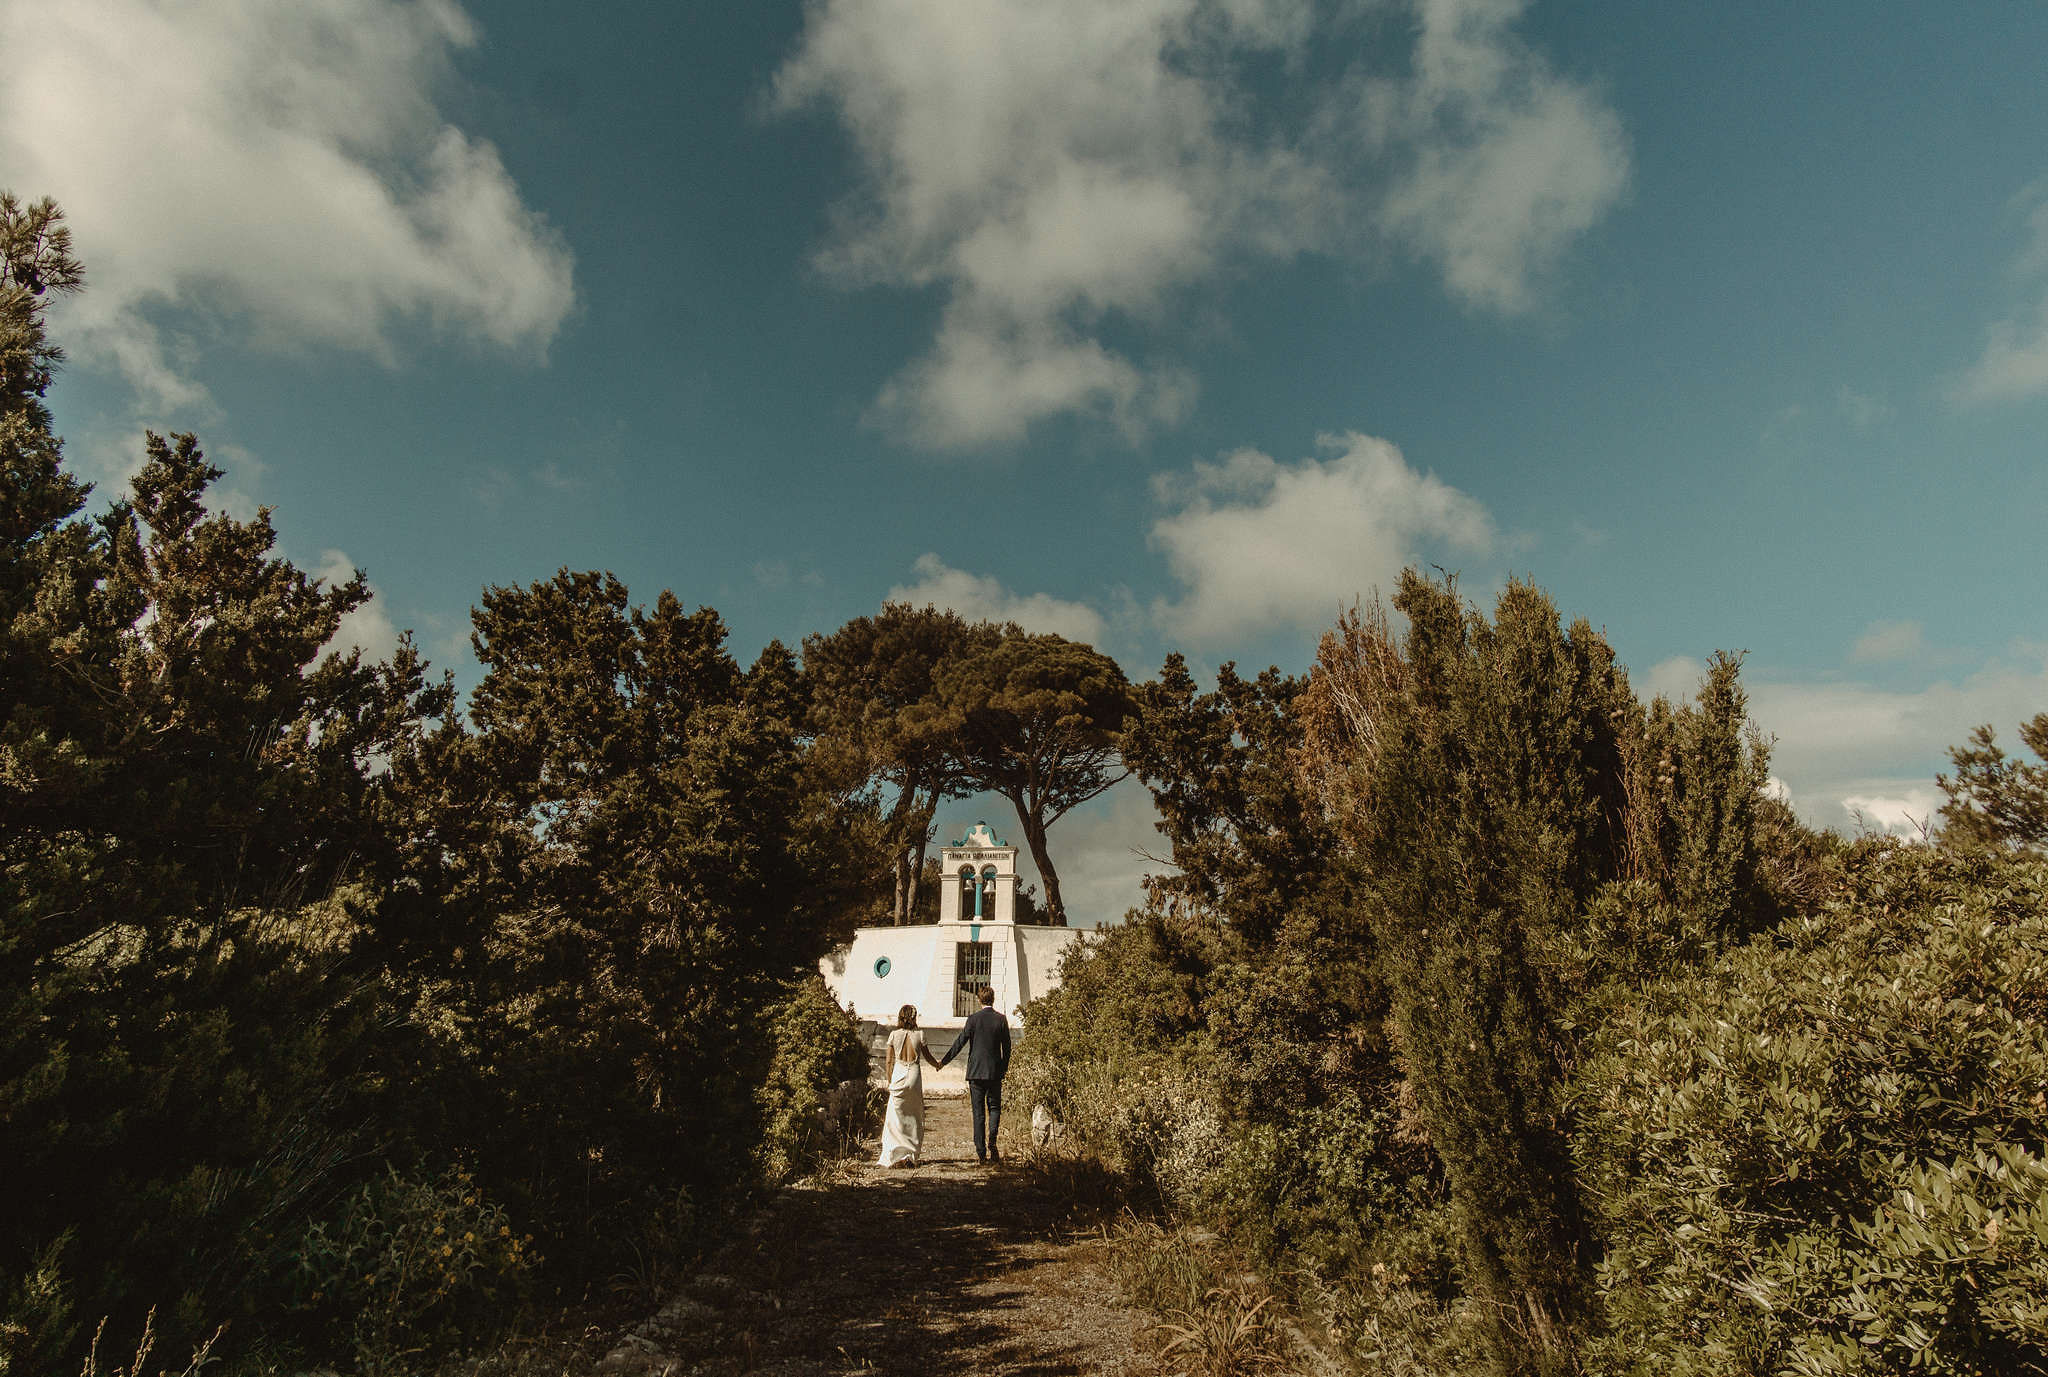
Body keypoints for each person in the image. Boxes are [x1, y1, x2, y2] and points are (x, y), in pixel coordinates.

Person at [938, 984, 1011, 1163]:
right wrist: (1003, 1069)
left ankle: (981, 1153)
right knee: (994, 1108)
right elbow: (1007, 1048)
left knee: (978, 1113)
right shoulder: (1001, 1019)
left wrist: (944, 1062)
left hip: (976, 1072)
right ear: (993, 999)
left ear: (979, 1000)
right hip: (994, 1072)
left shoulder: (973, 1019)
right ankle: (992, 1142)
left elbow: (960, 1042)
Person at [878, 1004, 940, 1168]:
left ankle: (894, 1153)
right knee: (914, 1115)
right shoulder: (920, 1035)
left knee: (895, 1116)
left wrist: (890, 1081)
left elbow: (889, 1061)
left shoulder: (894, 1035)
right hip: (913, 1074)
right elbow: (928, 1057)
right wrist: (938, 1065)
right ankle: (910, 1154)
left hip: (898, 1073)